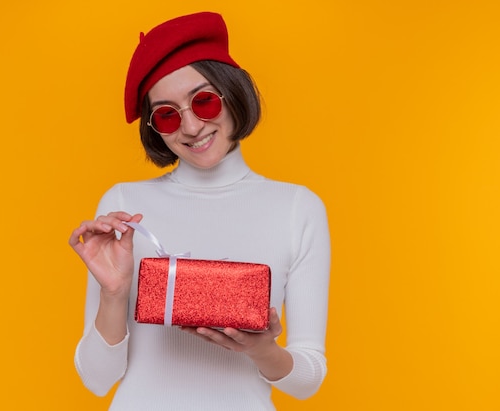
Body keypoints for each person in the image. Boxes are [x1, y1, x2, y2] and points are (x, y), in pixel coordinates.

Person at [69, 11, 331, 410]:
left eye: (204, 101)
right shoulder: (123, 206)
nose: (191, 128)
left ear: (232, 92)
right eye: (168, 115)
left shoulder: (298, 208)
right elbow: (96, 380)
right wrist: (114, 293)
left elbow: (308, 380)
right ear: (154, 127)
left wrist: (262, 350)